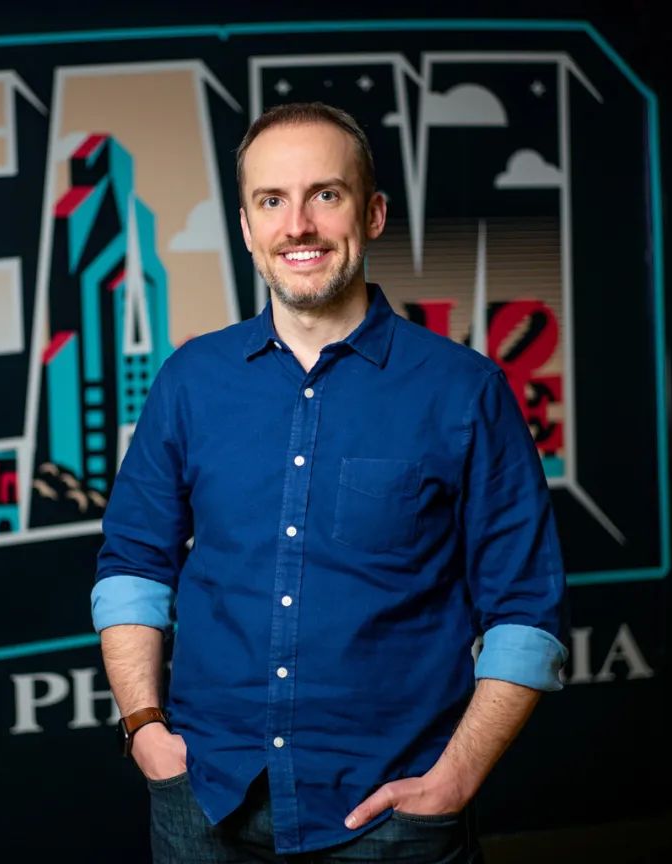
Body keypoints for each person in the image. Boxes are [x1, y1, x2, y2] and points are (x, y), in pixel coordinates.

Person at [92, 102, 567, 863]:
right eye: (270, 201)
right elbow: (132, 567)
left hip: (392, 821)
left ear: (372, 214)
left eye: (325, 194)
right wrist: (144, 727)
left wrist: (455, 779)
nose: (298, 226)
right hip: (205, 804)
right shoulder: (189, 381)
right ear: (246, 227)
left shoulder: (464, 391)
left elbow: (526, 611)